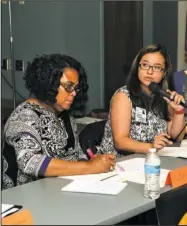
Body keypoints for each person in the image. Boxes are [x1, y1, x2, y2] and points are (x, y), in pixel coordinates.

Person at [2, 54, 116, 190]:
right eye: (68, 87)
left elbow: (76, 156)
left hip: (63, 191)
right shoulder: (24, 117)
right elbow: (30, 163)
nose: (74, 93)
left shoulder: (64, 114)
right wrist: (89, 167)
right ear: (48, 84)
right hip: (27, 199)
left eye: (76, 88)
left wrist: (93, 159)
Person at [98, 44, 185, 156]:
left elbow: (176, 135)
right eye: (145, 65)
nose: (149, 71)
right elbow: (120, 142)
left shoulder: (162, 95)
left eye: (157, 67)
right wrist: (151, 147)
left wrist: (179, 112)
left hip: (151, 159)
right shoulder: (123, 96)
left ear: (164, 72)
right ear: (137, 67)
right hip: (120, 163)